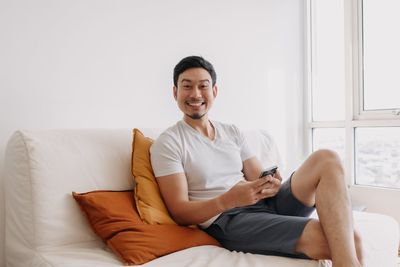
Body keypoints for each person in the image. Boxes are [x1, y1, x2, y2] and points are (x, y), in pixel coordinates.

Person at [150, 56, 364, 267]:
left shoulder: (231, 131)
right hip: (227, 219)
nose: (195, 94)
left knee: (326, 158)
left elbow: (256, 177)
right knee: (350, 240)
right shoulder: (169, 143)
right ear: (175, 92)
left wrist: (270, 184)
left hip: (263, 204)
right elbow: (179, 212)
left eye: (203, 86)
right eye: (187, 86)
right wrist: (228, 200)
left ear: (214, 91)